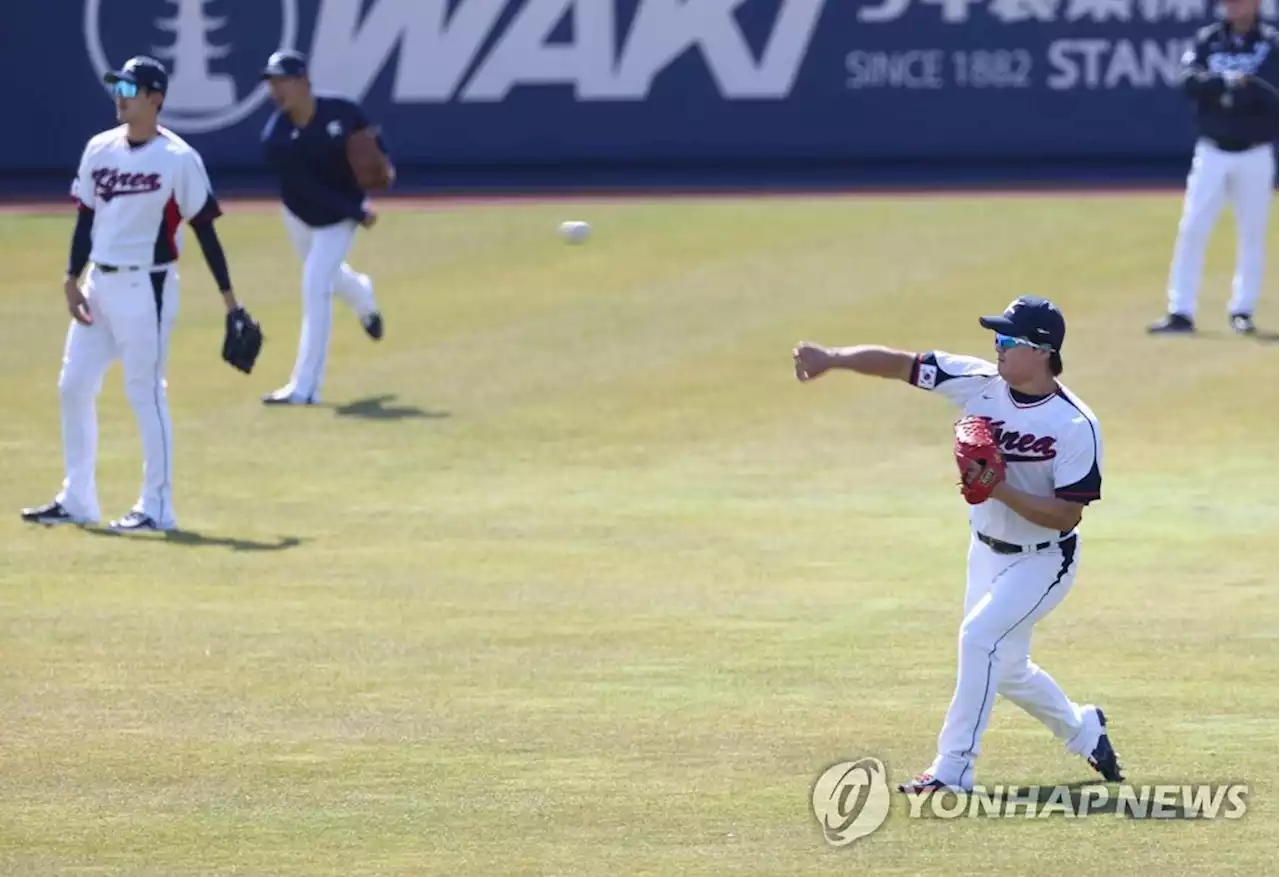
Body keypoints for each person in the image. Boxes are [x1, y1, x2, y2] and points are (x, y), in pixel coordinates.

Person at [792, 295, 1124, 793]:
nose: (997, 346)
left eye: (1008, 339)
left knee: (978, 639)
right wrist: (832, 359)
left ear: (1041, 350)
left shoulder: (1075, 425)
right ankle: (1083, 730)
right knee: (1005, 667)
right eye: (997, 336)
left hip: (1045, 560)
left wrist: (999, 488)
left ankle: (953, 769)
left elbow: (1066, 514)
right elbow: (902, 365)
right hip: (985, 551)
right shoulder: (978, 382)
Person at [21, 56, 246, 532]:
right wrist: (70, 277)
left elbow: (205, 231)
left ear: (155, 98)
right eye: (117, 87)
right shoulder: (99, 149)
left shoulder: (178, 160)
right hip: (97, 285)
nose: (120, 95)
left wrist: (231, 303)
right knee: (73, 387)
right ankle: (78, 499)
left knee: (145, 392)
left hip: (149, 286)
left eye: (129, 87)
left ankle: (157, 506)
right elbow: (86, 219)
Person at [258, 49, 388, 406]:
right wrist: (358, 211)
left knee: (315, 284)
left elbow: (372, 142)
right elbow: (308, 191)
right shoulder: (277, 140)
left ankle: (305, 387)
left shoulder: (342, 112)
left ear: (303, 81)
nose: (275, 89)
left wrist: (382, 167)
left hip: (338, 220)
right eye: (271, 82)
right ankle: (362, 295)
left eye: (282, 80)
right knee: (329, 277)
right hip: (301, 213)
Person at [1150, 0, 1280, 335]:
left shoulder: (1271, 43)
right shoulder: (1208, 40)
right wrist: (1228, 84)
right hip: (1212, 151)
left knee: (1252, 233)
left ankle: (1243, 309)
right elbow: (1188, 81)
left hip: (1255, 151)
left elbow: (1270, 91)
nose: (1233, 6)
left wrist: (1238, 88)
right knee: (1192, 228)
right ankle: (1180, 311)